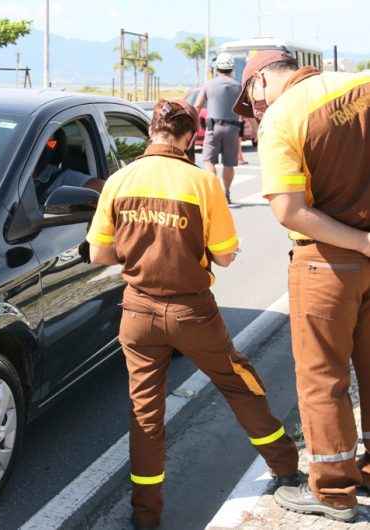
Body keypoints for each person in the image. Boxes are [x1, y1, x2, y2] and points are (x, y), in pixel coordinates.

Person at [87, 99, 299, 530]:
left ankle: (146, 515)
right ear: (189, 138)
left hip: (137, 312)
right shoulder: (200, 183)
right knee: (238, 384)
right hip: (192, 313)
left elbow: (99, 253)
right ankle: (285, 467)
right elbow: (223, 257)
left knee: (144, 412)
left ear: (152, 133)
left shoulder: (119, 180)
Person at [234, 50, 370, 522]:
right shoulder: (362, 84)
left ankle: (334, 492)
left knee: (323, 379)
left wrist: (362, 242)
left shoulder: (283, 117)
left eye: (251, 99)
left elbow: (291, 210)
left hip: (326, 263)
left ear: (259, 83)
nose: (254, 110)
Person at [194, 52, 242, 204]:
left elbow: (197, 106)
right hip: (233, 129)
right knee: (229, 163)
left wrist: (195, 125)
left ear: (217, 68)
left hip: (213, 127)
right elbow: (245, 111)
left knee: (209, 161)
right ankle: (226, 193)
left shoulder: (208, 85)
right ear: (232, 69)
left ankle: (214, 193)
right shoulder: (238, 86)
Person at [33, 127, 103, 202]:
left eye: (49, 143)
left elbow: (104, 188)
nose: (38, 148)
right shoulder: (19, 169)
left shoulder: (62, 178)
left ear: (55, 149)